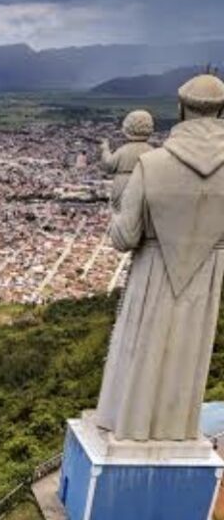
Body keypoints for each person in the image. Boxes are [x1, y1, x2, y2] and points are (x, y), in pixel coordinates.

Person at [95, 74, 224, 441]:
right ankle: (174, 429)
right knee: (188, 355)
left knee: (140, 349)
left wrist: (114, 214)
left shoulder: (153, 165)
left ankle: (129, 424)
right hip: (207, 277)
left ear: (181, 109)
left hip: (152, 272)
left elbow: (124, 237)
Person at [100, 110, 155, 211]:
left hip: (123, 186)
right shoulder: (152, 151)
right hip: (146, 185)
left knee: (122, 217)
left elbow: (108, 166)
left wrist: (105, 150)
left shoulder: (123, 151)